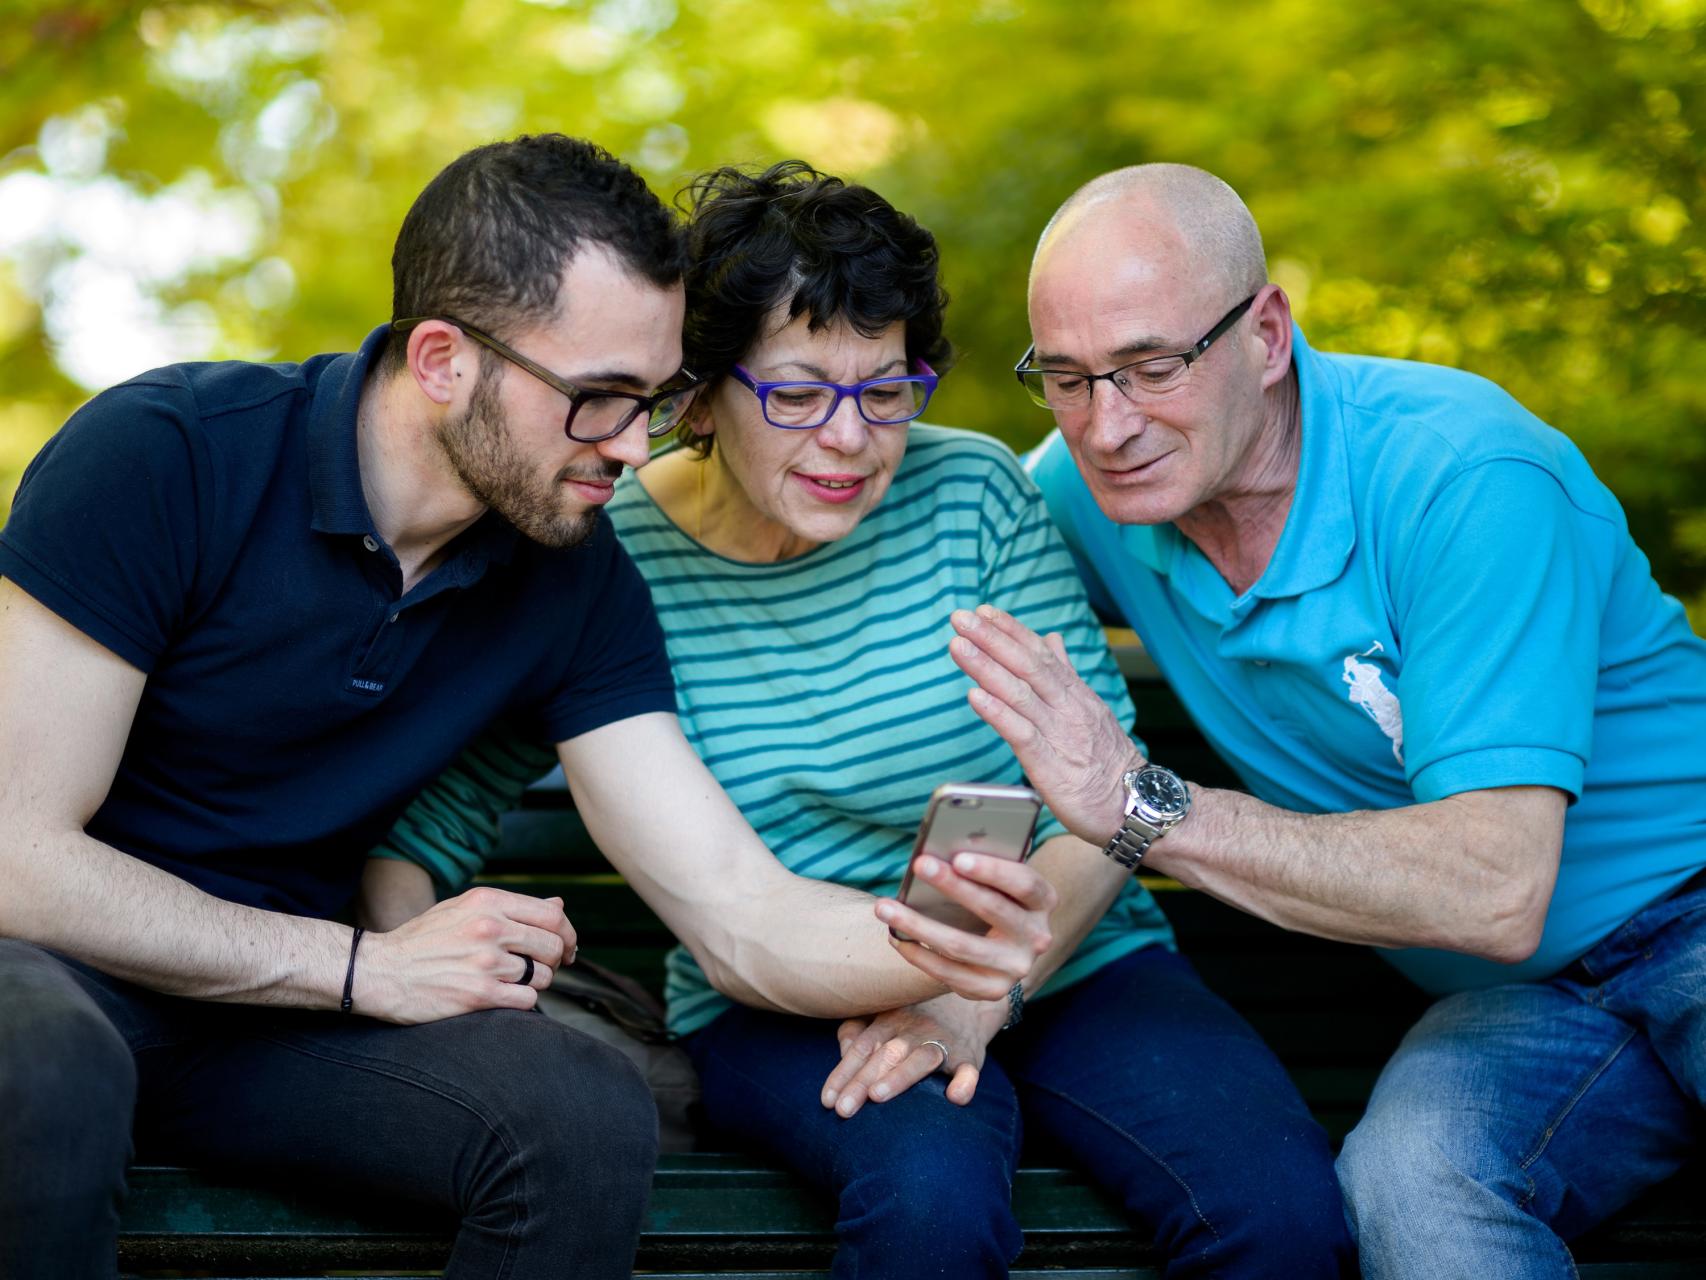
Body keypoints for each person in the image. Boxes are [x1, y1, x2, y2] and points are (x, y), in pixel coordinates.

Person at [0, 135, 1049, 1280]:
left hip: (268, 1034)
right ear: (444, 358)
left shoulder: (573, 573)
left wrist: (944, 942)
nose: (634, 446)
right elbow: (17, 854)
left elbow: (739, 907)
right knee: (43, 1061)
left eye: (651, 400)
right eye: (597, 399)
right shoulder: (167, 456)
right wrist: (363, 967)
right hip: (56, 974)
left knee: (580, 1107)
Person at [376, 161, 1354, 1279]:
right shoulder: (608, 563)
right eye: (794, 393)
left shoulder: (975, 496)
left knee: (1276, 1212)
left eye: (883, 389)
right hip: (782, 1006)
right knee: (927, 1196)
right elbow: (431, 822)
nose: (848, 438)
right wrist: (397, 965)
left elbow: (1101, 802)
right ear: (698, 392)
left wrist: (972, 1000)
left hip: (1074, 958)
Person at [950, 161, 1706, 1279]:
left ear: (1263, 335)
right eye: (1064, 378)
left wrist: (1138, 806)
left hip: (1686, 911)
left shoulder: (1459, 473)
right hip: (1517, 1004)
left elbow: (1493, 887)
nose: (1106, 425)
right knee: (1406, 1189)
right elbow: (914, 563)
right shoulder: (1093, 488)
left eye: (1149, 366)